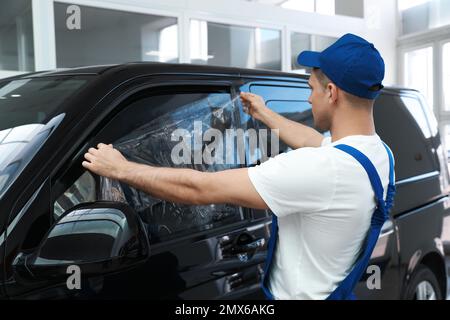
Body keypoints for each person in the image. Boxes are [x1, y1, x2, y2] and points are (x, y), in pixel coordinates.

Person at [82, 33, 395, 300]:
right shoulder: (377, 154)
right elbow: (315, 141)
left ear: (331, 93)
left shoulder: (321, 169)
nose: (309, 98)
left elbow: (201, 188)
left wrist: (122, 170)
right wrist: (265, 114)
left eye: (311, 88)